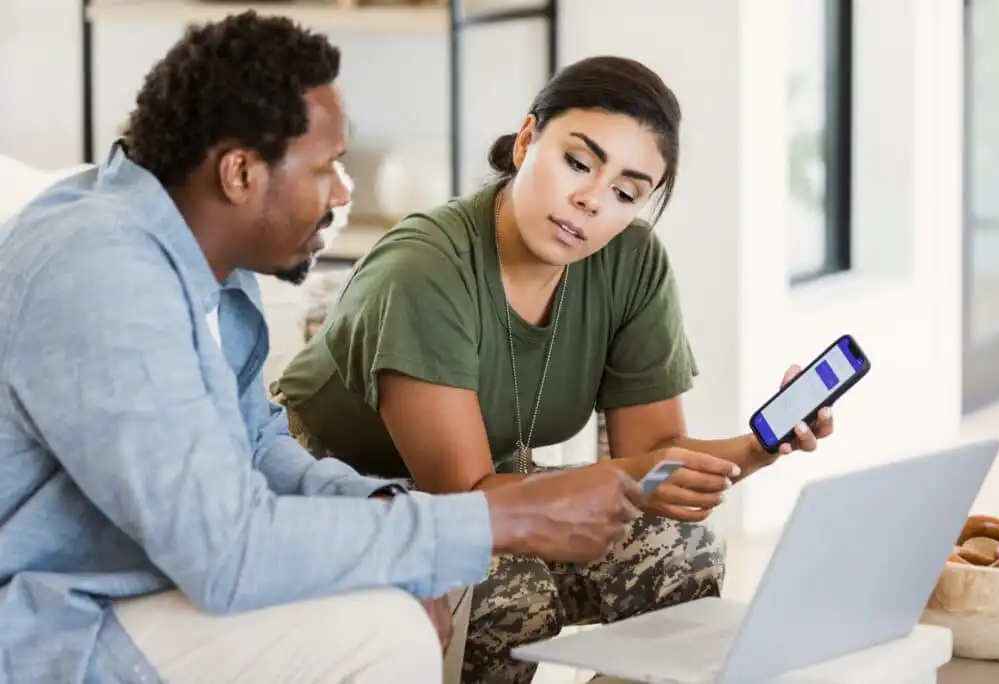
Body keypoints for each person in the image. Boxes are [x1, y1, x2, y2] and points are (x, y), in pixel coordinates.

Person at [0, 13, 654, 684]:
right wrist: (485, 520)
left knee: (424, 557)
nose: (343, 193)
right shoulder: (103, 274)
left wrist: (389, 515)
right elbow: (225, 551)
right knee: (383, 628)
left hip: (140, 575)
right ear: (240, 173)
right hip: (52, 617)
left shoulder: (203, 264)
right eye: (325, 167)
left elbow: (254, 445)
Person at [274, 54, 836, 683]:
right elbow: (464, 501)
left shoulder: (631, 264)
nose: (591, 201)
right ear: (525, 141)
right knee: (505, 591)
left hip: (494, 487)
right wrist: (634, 475)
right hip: (341, 499)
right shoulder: (425, 271)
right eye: (577, 162)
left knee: (682, 553)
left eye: (626, 192)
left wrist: (763, 446)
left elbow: (652, 455)